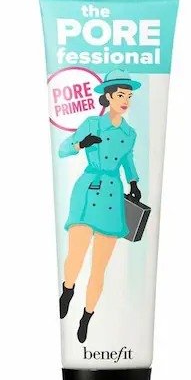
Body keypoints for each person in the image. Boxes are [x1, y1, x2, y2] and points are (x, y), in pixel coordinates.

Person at [57, 70, 142, 343]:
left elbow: (128, 160)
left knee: (99, 268)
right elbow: (62, 149)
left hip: (112, 197)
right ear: (108, 97)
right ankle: (67, 289)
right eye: (121, 95)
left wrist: (133, 181)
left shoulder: (130, 133)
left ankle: (87, 316)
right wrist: (81, 143)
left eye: (129, 96)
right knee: (75, 256)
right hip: (87, 190)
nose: (125, 100)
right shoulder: (92, 123)